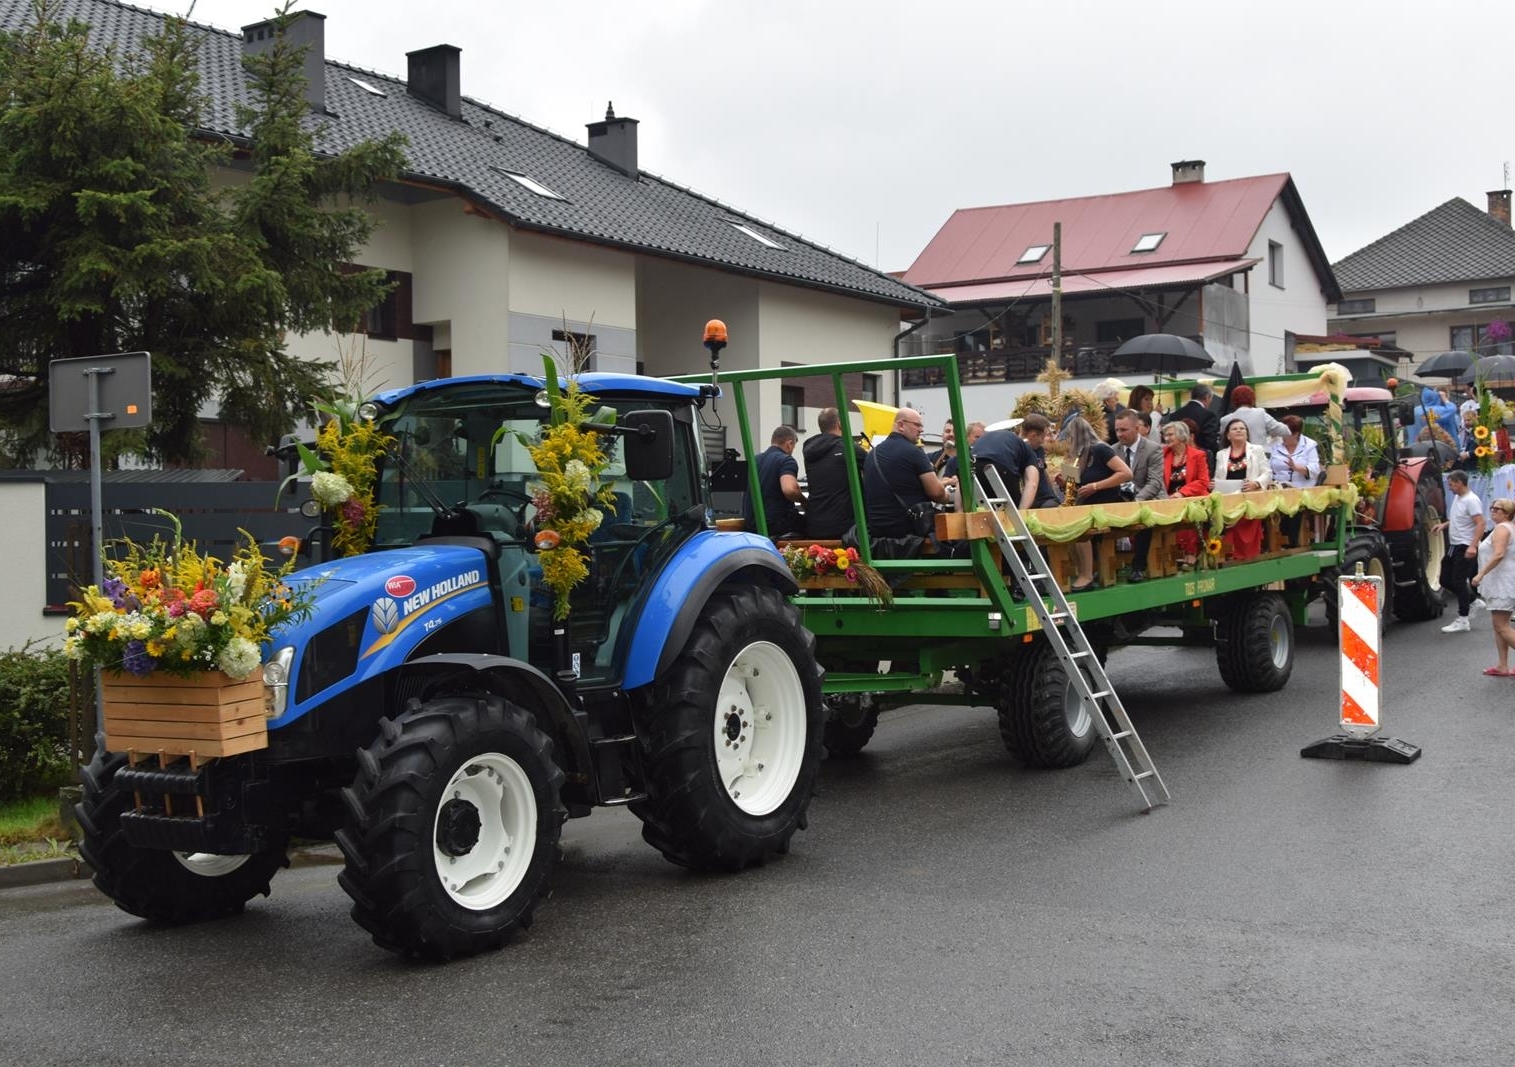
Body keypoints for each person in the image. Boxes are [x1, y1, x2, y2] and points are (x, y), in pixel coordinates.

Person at [1060, 416, 1132, 591]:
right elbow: (1074, 488)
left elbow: (1126, 473)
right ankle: (1080, 571)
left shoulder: (1101, 450)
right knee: (1067, 526)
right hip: (1086, 505)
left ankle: (1086, 575)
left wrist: (1096, 486)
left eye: (1070, 437)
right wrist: (1063, 482)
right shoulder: (1078, 456)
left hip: (1107, 504)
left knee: (1080, 527)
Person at [862, 407, 948, 540]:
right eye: (917, 425)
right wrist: (948, 495)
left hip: (876, 532)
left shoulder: (871, 454)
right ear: (901, 425)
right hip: (909, 531)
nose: (921, 430)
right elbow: (937, 493)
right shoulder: (914, 452)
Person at [1114, 408, 1166, 583]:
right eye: (1117, 430)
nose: (1119, 434)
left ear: (1137, 428)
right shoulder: (1113, 451)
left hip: (1150, 498)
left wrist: (1137, 501)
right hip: (1124, 499)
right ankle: (1105, 565)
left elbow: (1155, 482)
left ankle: (1138, 567)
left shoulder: (1153, 449)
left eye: (1124, 430)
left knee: (1145, 518)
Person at [801, 408, 867, 540]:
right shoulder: (848, 448)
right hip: (846, 528)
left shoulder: (809, 449)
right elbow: (873, 466)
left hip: (815, 525)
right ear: (840, 424)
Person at [1215, 419, 1271, 560]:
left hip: (1250, 500)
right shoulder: (1221, 454)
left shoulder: (1257, 450)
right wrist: (1214, 484)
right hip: (1228, 500)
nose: (1239, 431)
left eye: (1242, 428)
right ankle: (1229, 557)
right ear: (1228, 435)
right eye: (1234, 429)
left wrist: (1256, 483)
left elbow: (1267, 473)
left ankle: (1249, 558)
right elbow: (1218, 476)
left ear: (1247, 433)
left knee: (1247, 530)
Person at [1438, 469, 1486, 632]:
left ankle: (1463, 619)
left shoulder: (1471, 500)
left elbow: (1480, 523)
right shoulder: (1459, 498)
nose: (1450, 487)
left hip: (1465, 545)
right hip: (1454, 545)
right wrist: (1445, 525)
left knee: (1458, 581)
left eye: (1451, 484)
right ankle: (1473, 601)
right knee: (1445, 580)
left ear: (1459, 483)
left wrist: (1473, 546)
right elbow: (1460, 518)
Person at [1471, 498, 1515, 674]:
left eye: (1498, 509)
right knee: (1500, 624)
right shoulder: (1509, 528)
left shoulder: (1502, 529)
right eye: (1492, 507)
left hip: (1501, 583)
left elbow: (1498, 555)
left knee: (1501, 626)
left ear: (1508, 513)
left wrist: (1481, 574)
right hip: (1504, 581)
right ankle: (1502, 665)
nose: (1493, 511)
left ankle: (1502, 665)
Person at [1161, 420, 1211, 566]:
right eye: (1165, 435)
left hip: (1192, 498)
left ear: (1182, 436)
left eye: (1171, 435)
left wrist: (1182, 493)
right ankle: (1171, 554)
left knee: (1191, 510)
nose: (1167, 438)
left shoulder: (1198, 455)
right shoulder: (1163, 454)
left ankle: (1191, 553)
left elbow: (1203, 481)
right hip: (1169, 499)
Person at [742, 425, 805, 539]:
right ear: (789, 443)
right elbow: (789, 489)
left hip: (750, 526)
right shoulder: (786, 460)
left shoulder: (754, 460)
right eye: (793, 447)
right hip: (775, 526)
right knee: (814, 525)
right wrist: (803, 500)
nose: (792, 450)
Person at [969, 426, 1041, 511]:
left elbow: (962, 481)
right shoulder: (1027, 449)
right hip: (1002, 468)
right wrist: (1022, 512)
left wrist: (959, 511)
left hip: (974, 467)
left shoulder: (983, 440)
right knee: (1011, 512)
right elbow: (1032, 484)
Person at [1018, 414, 1061, 509]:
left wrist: (1054, 494)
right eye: (1043, 436)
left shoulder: (1039, 449)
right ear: (1033, 435)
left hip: (1046, 499)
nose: (1042, 441)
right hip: (1027, 501)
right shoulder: (1017, 452)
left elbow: (1044, 472)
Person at [1221, 385, 1287, 446]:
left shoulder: (1225, 420)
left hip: (1235, 457)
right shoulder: (1260, 413)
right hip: (1259, 456)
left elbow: (1223, 441)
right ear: (1253, 399)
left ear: (1233, 401)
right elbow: (1284, 431)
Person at [1268, 415, 1321, 488]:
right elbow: (1267, 468)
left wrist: (1296, 467)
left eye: (1285, 434)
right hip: (1278, 490)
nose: (1283, 437)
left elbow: (1315, 470)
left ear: (1296, 434)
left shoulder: (1309, 445)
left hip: (1303, 490)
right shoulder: (1274, 444)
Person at [1172, 382, 1221, 455]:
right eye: (1211, 399)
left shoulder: (1175, 415)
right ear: (1207, 397)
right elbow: (1210, 441)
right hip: (1200, 457)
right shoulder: (1208, 415)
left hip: (1179, 457)